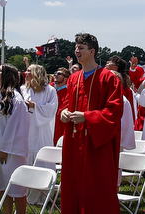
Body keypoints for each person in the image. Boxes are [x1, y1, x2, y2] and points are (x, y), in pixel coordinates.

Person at [58, 33, 123, 214]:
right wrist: (63, 112)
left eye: (81, 48)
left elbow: (114, 111)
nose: (77, 51)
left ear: (92, 51)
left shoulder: (109, 78)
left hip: (96, 145)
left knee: (96, 189)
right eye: (76, 47)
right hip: (74, 142)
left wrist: (87, 117)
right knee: (72, 186)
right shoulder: (73, 78)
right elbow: (66, 104)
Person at [0, 63, 31, 214]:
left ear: (8, 76)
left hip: (11, 152)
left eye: (0, 71)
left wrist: (4, 150)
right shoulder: (0, 97)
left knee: (17, 189)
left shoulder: (16, 100)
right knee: (4, 189)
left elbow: (16, 128)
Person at [20, 62, 57, 204]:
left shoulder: (49, 91)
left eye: (29, 71)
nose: (25, 73)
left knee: (41, 157)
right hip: (27, 129)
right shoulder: (24, 89)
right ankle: (27, 192)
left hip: (42, 130)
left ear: (36, 73)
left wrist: (34, 106)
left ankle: (42, 194)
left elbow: (51, 109)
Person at [51, 68, 69, 145]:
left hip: (59, 126)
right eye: (55, 73)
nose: (55, 75)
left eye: (59, 74)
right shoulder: (49, 89)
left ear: (66, 78)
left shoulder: (68, 92)